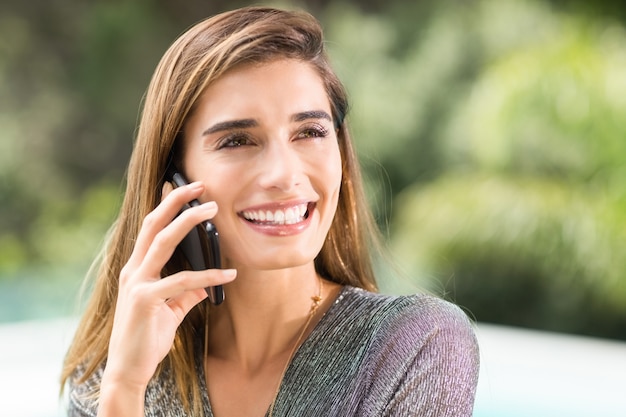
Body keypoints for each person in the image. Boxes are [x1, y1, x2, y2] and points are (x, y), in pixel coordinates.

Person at [61, 6, 479, 417]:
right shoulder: (105, 379)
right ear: (176, 181)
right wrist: (124, 389)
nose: (284, 175)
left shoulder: (414, 346)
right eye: (237, 140)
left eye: (310, 132)